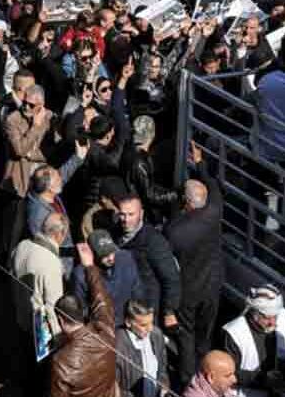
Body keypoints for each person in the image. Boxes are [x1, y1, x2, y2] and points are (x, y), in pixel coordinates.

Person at [166, 144, 225, 369]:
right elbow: (212, 185)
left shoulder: (175, 230)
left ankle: (187, 376)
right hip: (212, 286)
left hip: (188, 291)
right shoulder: (215, 211)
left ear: (187, 202)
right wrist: (200, 163)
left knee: (187, 336)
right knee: (205, 335)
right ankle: (205, 369)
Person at [49, 242, 117, 397]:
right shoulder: (105, 332)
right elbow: (101, 300)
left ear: (60, 319)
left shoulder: (61, 361)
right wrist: (89, 266)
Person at [114, 193, 182, 333]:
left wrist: (169, 311)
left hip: (146, 309)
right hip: (125, 304)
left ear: (141, 213)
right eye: (122, 214)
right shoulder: (116, 233)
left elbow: (171, 278)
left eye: (131, 214)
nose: (125, 219)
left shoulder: (153, 242)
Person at [221, 286, 285, 397]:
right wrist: (263, 378)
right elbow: (228, 374)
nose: (273, 322)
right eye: (266, 317)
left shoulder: (283, 318)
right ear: (253, 313)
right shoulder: (234, 333)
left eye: (275, 316)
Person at [69, 229, 144, 327]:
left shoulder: (126, 259)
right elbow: (81, 309)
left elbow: (137, 290)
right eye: (104, 255)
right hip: (102, 328)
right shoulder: (80, 275)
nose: (111, 258)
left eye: (112, 252)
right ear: (93, 254)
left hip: (127, 323)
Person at [12, 212, 71, 331]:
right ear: (60, 234)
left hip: (16, 313)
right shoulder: (52, 262)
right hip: (36, 328)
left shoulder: (22, 245)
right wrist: (58, 337)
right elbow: (53, 306)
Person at [117, 299, 171, 397]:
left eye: (152, 322)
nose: (150, 328)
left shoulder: (156, 335)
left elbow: (162, 369)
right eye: (143, 325)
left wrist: (164, 389)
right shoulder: (116, 345)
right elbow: (112, 387)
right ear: (128, 322)